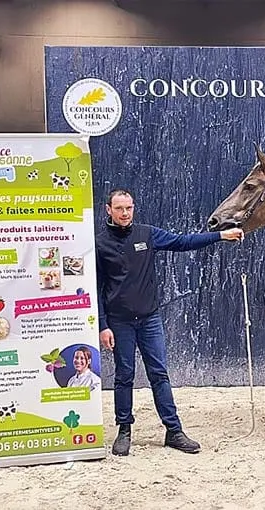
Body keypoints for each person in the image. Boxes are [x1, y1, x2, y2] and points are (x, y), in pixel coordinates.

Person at [96, 189, 243, 456]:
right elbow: (97, 287)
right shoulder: (100, 243)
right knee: (124, 376)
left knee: (159, 374)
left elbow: (182, 242)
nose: (125, 213)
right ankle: (124, 430)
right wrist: (103, 325)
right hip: (120, 322)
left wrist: (221, 235)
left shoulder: (146, 234)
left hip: (149, 319)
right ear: (108, 210)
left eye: (129, 208)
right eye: (119, 209)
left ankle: (173, 431)